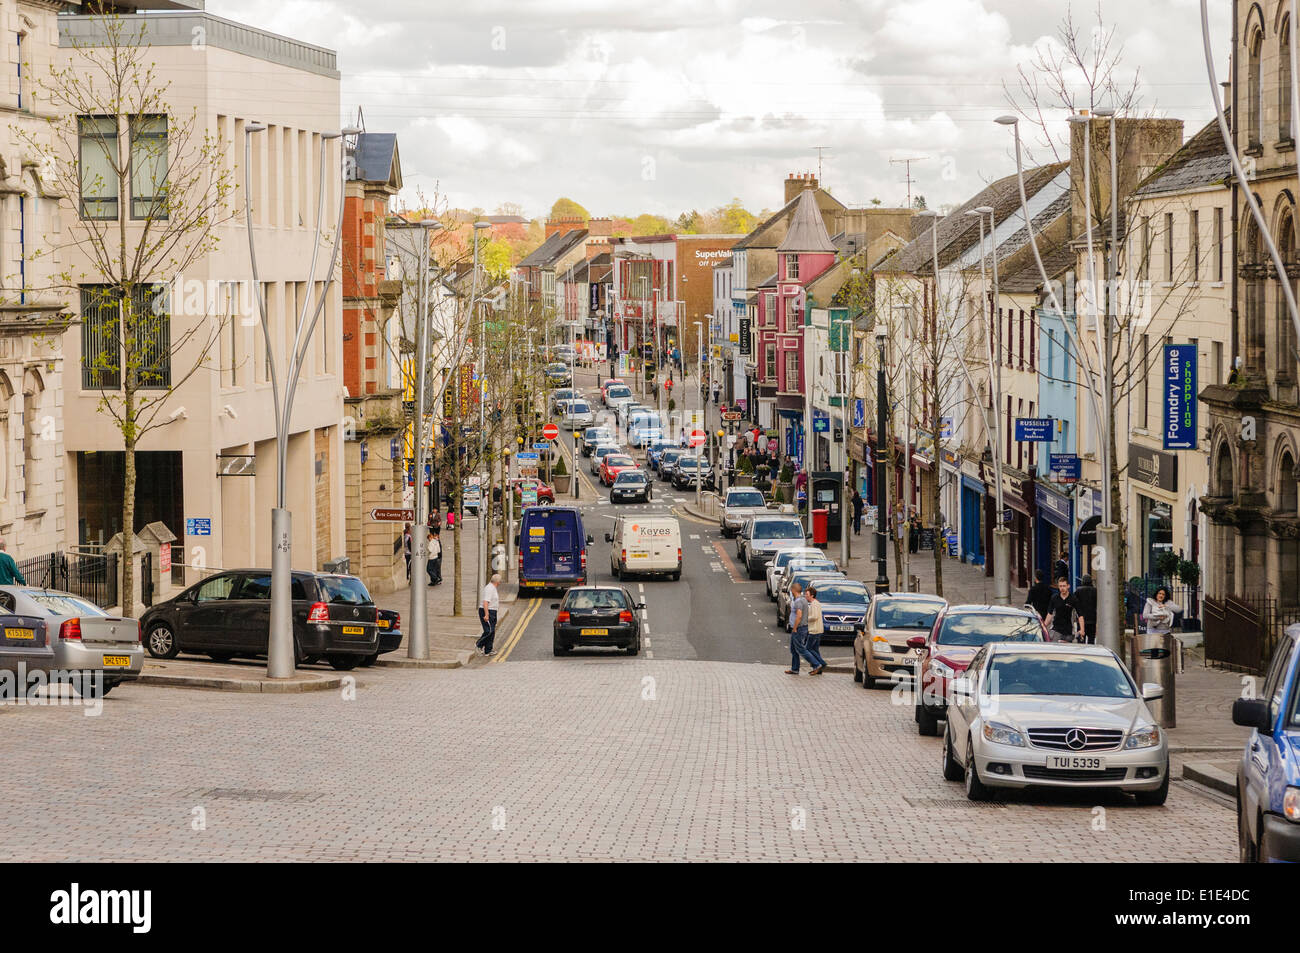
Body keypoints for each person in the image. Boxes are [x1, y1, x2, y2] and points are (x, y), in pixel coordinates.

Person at [783, 583, 822, 675]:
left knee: (801, 649)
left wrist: (795, 628)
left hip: (798, 628)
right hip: (800, 627)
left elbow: (799, 615)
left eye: (791, 590)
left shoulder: (798, 601)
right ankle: (795, 668)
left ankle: (816, 664)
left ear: (793, 590)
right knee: (793, 650)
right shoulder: (803, 600)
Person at [1045, 576, 1084, 642]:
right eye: (1060, 586)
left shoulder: (1073, 599)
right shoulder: (1054, 598)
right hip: (1056, 629)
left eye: (1064, 586)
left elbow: (1080, 615)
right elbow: (1050, 614)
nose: (1062, 588)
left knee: (1066, 651)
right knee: (1054, 649)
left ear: (1068, 586)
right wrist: (1044, 626)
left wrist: (1082, 629)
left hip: (1068, 631)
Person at [804, 585, 828, 675]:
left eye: (807, 594)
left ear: (812, 595)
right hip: (818, 629)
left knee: (808, 648)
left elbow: (814, 617)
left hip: (814, 630)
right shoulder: (816, 603)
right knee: (815, 649)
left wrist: (806, 618)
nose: (805, 596)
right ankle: (818, 669)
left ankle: (821, 664)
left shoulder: (814, 604)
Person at [476, 572, 502, 656]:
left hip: (493, 611)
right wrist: (486, 614)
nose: (500, 583)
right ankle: (478, 644)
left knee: (492, 631)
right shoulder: (489, 588)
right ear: (497, 582)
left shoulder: (493, 588)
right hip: (487, 611)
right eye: (500, 581)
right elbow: (485, 602)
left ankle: (488, 650)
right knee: (489, 630)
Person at [1074, 574, 1099, 644]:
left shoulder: (1078, 590)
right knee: (1091, 640)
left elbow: (1074, 602)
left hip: (1081, 619)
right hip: (1092, 620)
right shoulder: (1095, 591)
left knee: (1081, 641)